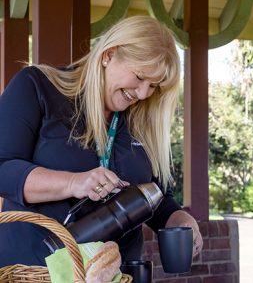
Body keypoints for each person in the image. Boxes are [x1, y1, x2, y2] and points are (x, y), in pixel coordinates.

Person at [0, 15, 202, 266]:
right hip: (36, 270)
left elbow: (156, 194)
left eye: (154, 86)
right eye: (139, 77)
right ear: (109, 55)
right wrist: (74, 182)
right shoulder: (37, 86)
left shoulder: (140, 118)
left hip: (117, 274)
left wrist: (179, 218)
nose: (142, 94)